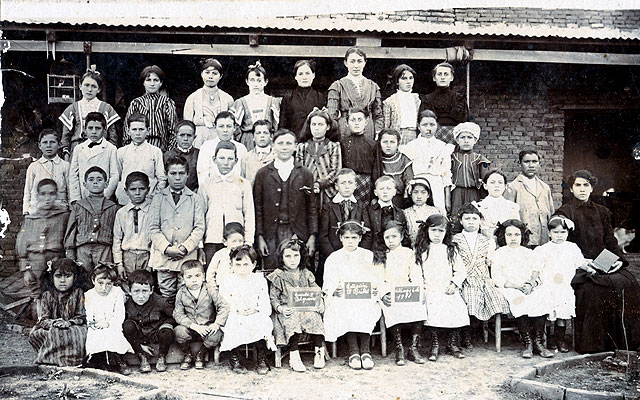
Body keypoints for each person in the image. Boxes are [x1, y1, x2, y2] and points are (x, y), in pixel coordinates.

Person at [554, 169, 640, 353]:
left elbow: (610, 240)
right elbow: (563, 245)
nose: (582, 189)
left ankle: (623, 342)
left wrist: (618, 260)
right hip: (578, 264)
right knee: (592, 290)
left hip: (604, 261)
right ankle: (594, 345)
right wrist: (583, 263)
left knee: (628, 282)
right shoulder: (564, 212)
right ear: (571, 188)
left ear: (592, 188)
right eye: (578, 185)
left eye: (586, 185)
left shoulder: (602, 211)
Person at [253, 129, 318, 271]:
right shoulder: (263, 174)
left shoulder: (305, 174)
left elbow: (312, 208)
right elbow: (257, 208)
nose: (284, 147)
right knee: (271, 271)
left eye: (288, 143)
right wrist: (259, 236)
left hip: (297, 232)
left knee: (297, 270)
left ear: (295, 146)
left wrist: (312, 236)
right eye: (280, 143)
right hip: (270, 234)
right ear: (273, 145)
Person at [323, 221, 381, 370]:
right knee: (346, 306)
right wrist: (334, 290)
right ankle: (354, 351)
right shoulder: (334, 258)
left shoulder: (368, 256)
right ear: (341, 238)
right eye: (347, 237)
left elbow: (376, 276)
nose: (350, 241)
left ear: (360, 239)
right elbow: (328, 281)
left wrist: (374, 288)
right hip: (343, 296)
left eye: (354, 238)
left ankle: (366, 351)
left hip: (363, 296)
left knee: (366, 305)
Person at [492, 219, 554, 359]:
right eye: (509, 235)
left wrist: (531, 284)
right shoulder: (499, 253)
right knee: (519, 300)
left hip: (528, 287)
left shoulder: (529, 253)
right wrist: (517, 286)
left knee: (541, 296)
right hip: (510, 288)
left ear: (522, 236)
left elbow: (537, 273)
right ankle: (527, 343)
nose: (513, 238)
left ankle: (538, 342)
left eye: (517, 235)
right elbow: (497, 278)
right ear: (503, 236)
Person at [148, 156, 205, 303]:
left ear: (188, 174)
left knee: (186, 294)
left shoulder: (195, 198)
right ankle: (168, 324)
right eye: (173, 173)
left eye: (181, 173)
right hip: (164, 257)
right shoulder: (158, 198)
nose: (177, 177)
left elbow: (199, 228)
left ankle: (184, 325)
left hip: (186, 257)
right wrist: (166, 248)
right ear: (167, 175)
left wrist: (184, 248)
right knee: (166, 295)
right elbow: (153, 228)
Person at [452, 203, 510, 348]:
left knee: (494, 297)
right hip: (464, 278)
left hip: (482, 278)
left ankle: (475, 331)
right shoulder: (454, 239)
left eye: (474, 218)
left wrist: (490, 280)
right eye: (467, 219)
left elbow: (491, 263)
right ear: (461, 221)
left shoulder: (488, 241)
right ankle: (465, 335)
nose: (471, 222)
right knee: (468, 296)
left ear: (480, 221)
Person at [415, 214, 469, 361]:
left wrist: (454, 284)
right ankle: (435, 344)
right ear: (427, 231)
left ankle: (452, 344)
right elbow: (417, 272)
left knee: (457, 307)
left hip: (447, 288)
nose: (437, 235)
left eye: (441, 231)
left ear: (446, 233)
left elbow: (460, 271)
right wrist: (423, 288)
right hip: (429, 288)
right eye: (433, 231)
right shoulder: (422, 250)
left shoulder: (450, 249)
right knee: (433, 308)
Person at [267, 238, 325, 372]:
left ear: (301, 256)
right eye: (288, 256)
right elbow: (273, 298)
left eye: (296, 255)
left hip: (305, 308)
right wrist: (280, 308)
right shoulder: (278, 276)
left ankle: (319, 351)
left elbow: (316, 290)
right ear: (281, 258)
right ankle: (294, 355)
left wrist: (320, 301)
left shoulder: (306, 273)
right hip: (287, 310)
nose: (292, 260)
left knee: (315, 317)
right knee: (292, 320)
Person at [533, 216, 587, 353]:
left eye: (563, 232)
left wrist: (591, 268)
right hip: (547, 286)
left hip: (564, 287)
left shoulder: (572, 248)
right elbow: (536, 269)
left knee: (562, 314)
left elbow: (581, 263)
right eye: (556, 232)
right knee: (549, 312)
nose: (559, 235)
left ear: (567, 233)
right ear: (549, 233)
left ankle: (560, 340)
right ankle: (550, 339)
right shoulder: (543, 249)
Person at [376, 221, 426, 366]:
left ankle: (413, 348)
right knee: (392, 307)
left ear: (402, 236)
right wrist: (384, 293)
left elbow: (416, 274)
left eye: (394, 236)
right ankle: (399, 348)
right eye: (387, 238)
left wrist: (417, 291)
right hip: (390, 290)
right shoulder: (381, 255)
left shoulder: (409, 253)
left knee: (419, 307)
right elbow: (378, 278)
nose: (391, 241)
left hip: (407, 289)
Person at [219, 246, 275, 374]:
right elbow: (224, 302)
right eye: (237, 265)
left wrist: (256, 309)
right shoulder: (228, 280)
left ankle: (261, 357)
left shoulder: (259, 280)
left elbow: (264, 301)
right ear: (231, 265)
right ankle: (235, 357)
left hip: (254, 312)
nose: (242, 269)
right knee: (232, 323)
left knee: (263, 322)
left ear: (254, 264)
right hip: (235, 313)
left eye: (246, 264)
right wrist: (236, 310)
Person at [200, 141, 254, 266]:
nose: (225, 162)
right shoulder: (206, 184)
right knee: (213, 271)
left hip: (237, 241)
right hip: (212, 239)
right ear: (214, 159)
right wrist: (200, 245)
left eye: (230, 159)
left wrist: (248, 241)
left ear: (235, 161)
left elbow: (249, 214)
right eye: (222, 158)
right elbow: (200, 215)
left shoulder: (243, 184)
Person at [17, 179, 69, 305]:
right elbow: (21, 244)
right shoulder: (30, 219)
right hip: (35, 261)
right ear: (37, 195)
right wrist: (25, 269)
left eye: (51, 194)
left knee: (57, 291)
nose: (47, 198)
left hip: (56, 259)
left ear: (56, 195)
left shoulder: (64, 216)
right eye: (43, 194)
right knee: (37, 292)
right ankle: (40, 318)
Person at [64, 166, 119, 284]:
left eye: (99, 179)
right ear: (85, 184)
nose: (95, 182)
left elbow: (117, 233)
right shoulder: (78, 206)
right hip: (83, 249)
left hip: (104, 249)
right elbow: (71, 231)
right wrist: (70, 253)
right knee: (83, 279)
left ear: (106, 183)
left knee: (103, 278)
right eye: (91, 179)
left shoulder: (113, 207)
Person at [28, 258, 87, 366]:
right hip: (52, 327)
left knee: (80, 333)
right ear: (52, 277)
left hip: (73, 326)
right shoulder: (47, 295)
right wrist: (54, 323)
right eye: (58, 276)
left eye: (67, 276)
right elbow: (44, 319)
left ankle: (73, 361)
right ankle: (51, 360)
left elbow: (82, 315)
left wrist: (69, 323)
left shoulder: (78, 293)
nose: (63, 280)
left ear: (75, 278)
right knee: (53, 333)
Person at [173, 260, 229, 370]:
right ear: (182, 279)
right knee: (178, 331)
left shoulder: (210, 290)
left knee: (216, 334)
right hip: (191, 327)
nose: (194, 280)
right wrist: (193, 326)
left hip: (207, 327)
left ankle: (201, 354)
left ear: (203, 276)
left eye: (197, 276)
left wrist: (216, 323)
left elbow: (224, 306)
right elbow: (177, 314)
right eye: (189, 277)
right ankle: (188, 354)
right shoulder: (181, 293)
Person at [318, 168, 367, 282]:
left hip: (357, 257)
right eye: (343, 183)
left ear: (355, 185)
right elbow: (323, 235)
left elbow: (367, 235)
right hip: (334, 256)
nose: (346, 186)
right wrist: (334, 256)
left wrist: (358, 254)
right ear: (336, 186)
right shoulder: (328, 207)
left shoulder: (361, 206)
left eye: (350, 183)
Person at [84, 264, 134, 374]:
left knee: (113, 333)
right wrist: (94, 324)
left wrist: (109, 324)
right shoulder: (89, 295)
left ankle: (119, 360)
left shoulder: (117, 292)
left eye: (108, 284)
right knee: (95, 335)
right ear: (93, 280)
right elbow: (88, 314)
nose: (104, 288)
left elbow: (119, 314)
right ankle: (101, 362)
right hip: (95, 326)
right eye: (100, 283)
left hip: (112, 324)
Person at [401, 110, 454, 214]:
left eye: (432, 125)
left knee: (438, 213)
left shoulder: (443, 147)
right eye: (425, 125)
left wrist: (447, 197)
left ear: (437, 126)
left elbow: (446, 173)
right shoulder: (411, 146)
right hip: (418, 185)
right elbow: (407, 171)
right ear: (419, 126)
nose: (428, 128)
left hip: (437, 185)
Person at [123, 269, 175, 373]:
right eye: (136, 291)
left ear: (151, 290)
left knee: (167, 331)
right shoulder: (127, 305)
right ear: (129, 291)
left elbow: (173, 316)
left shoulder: (160, 302)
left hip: (156, 333)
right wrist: (139, 346)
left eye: (145, 291)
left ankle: (162, 357)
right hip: (140, 336)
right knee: (127, 325)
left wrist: (165, 325)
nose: (141, 296)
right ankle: (142, 357)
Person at [59, 70, 119, 158]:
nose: (89, 89)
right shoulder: (72, 108)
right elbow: (65, 136)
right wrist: (67, 157)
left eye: (93, 86)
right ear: (80, 86)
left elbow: (113, 136)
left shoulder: (106, 108)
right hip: (77, 151)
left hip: (101, 152)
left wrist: (108, 155)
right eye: (86, 85)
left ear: (99, 89)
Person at [328, 47, 383, 141]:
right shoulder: (337, 86)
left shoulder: (373, 86)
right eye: (352, 61)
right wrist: (336, 133)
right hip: (345, 129)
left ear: (365, 63)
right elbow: (331, 115)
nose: (356, 65)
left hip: (368, 130)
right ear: (346, 63)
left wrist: (378, 132)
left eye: (359, 61)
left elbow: (378, 114)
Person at [505, 149, 555, 247]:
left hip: (543, 240)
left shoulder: (545, 188)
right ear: (520, 164)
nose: (531, 165)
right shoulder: (513, 187)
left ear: (539, 164)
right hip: (524, 241)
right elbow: (508, 218)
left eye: (534, 161)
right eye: (527, 162)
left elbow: (551, 213)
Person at [115, 113, 166, 205]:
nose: (138, 133)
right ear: (128, 131)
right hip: (126, 200)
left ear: (148, 131)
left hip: (149, 199)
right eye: (134, 129)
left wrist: (154, 196)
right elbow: (117, 177)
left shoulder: (155, 151)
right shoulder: (121, 152)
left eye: (141, 129)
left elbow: (161, 179)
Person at [68, 112, 119, 203]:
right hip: (84, 196)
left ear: (104, 130)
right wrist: (76, 198)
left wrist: (104, 196)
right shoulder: (79, 149)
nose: (94, 132)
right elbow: (73, 175)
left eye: (98, 128)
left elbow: (114, 175)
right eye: (90, 128)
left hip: (104, 197)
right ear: (85, 129)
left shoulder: (111, 148)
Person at [125, 65, 178, 152]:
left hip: (161, 147)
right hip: (138, 147)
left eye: (156, 80)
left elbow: (174, 130)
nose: (152, 84)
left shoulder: (167, 103)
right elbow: (127, 129)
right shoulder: (136, 103)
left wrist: (169, 152)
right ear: (143, 82)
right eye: (148, 80)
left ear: (161, 83)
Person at [184, 58, 234, 148]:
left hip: (220, 138)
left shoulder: (227, 98)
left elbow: (233, 124)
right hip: (199, 139)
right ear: (201, 74)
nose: (210, 76)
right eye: (207, 72)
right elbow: (187, 125)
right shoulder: (193, 98)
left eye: (214, 73)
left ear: (221, 76)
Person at [112, 172, 152, 284]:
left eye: (142, 189)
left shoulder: (153, 211)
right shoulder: (121, 213)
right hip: (127, 258)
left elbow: (155, 240)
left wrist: (151, 264)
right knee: (127, 286)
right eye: (133, 189)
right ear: (126, 191)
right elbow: (117, 240)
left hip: (147, 256)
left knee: (144, 286)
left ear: (148, 190)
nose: (137, 193)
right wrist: (119, 264)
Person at [296, 107, 342, 203]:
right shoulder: (302, 147)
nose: (316, 128)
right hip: (307, 190)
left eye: (320, 124)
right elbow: (298, 170)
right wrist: (309, 184)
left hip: (328, 192)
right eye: (314, 124)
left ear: (328, 127)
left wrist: (319, 184)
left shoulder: (333, 146)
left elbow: (336, 171)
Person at [232, 61, 280, 150]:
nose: (256, 84)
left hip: (268, 139)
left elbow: (276, 125)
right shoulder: (240, 102)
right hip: (248, 140)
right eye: (252, 80)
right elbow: (235, 128)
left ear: (266, 82)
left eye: (259, 80)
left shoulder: (273, 101)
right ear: (247, 82)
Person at [419, 62, 469, 144]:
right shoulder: (427, 99)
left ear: (451, 78)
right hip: (432, 138)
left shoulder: (459, 99)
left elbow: (465, 122)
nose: (442, 77)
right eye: (439, 74)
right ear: (434, 78)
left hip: (455, 139)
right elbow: (422, 123)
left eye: (446, 74)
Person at [23, 129, 70, 215]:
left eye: (52, 142)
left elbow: (70, 191)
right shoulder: (34, 167)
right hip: (37, 211)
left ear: (59, 145)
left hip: (60, 211)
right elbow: (28, 191)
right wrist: (26, 211)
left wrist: (71, 211)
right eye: (45, 142)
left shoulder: (65, 166)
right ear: (39, 145)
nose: (48, 146)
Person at [450, 122, 491, 217]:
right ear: (457, 140)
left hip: (474, 193)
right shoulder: (451, 158)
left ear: (475, 140)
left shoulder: (480, 159)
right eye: (462, 137)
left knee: (473, 216)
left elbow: (486, 180)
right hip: (456, 193)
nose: (466, 141)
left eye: (469, 137)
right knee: (456, 217)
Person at [197, 111, 247, 185]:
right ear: (215, 127)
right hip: (212, 190)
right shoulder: (207, 146)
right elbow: (202, 174)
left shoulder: (241, 148)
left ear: (235, 127)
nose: (225, 130)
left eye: (229, 126)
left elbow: (243, 174)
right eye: (221, 126)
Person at [279, 59, 326, 138]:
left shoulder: (320, 97)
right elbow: (283, 124)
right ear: (296, 77)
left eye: (307, 73)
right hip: (293, 141)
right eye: (300, 74)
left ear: (313, 75)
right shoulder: (288, 97)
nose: (304, 77)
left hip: (313, 141)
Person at [362, 175, 408, 252]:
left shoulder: (400, 212)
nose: (385, 191)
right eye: (381, 189)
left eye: (389, 188)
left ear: (394, 192)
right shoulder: (369, 211)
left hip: (395, 251)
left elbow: (403, 234)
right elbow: (368, 236)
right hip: (375, 251)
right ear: (375, 192)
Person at [340, 108, 377, 203]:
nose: (356, 123)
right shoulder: (342, 143)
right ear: (347, 123)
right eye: (353, 120)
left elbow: (376, 170)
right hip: (347, 184)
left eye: (359, 120)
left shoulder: (373, 145)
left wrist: (374, 194)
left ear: (366, 121)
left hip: (366, 185)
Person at [372, 128, 413, 208]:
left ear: (398, 144)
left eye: (392, 142)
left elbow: (409, 180)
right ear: (379, 143)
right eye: (385, 142)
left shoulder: (403, 160)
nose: (388, 145)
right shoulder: (375, 159)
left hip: (399, 199)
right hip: (380, 198)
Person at [383, 64, 421, 145]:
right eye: (404, 78)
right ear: (397, 81)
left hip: (415, 136)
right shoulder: (389, 101)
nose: (408, 81)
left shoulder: (418, 99)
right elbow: (386, 126)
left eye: (411, 78)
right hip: (397, 137)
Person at [476, 170, 520, 238]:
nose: (496, 186)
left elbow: (517, 229)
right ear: (485, 186)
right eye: (492, 182)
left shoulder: (513, 207)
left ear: (505, 186)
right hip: (485, 245)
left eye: (500, 183)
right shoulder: (479, 207)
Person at [206, 222, 246, 288]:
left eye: (240, 241)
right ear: (225, 242)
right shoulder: (219, 254)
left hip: (239, 288)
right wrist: (213, 287)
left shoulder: (244, 255)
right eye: (234, 241)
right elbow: (210, 273)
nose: (237, 244)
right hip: (221, 288)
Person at [163, 120, 199, 192]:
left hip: (193, 194)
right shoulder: (167, 155)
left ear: (194, 137)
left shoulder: (198, 154)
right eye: (182, 135)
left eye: (189, 135)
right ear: (175, 136)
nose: (185, 139)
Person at [403, 177, 440, 245]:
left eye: (423, 192)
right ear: (410, 194)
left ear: (428, 195)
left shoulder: (435, 211)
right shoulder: (405, 213)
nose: (419, 196)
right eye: (415, 192)